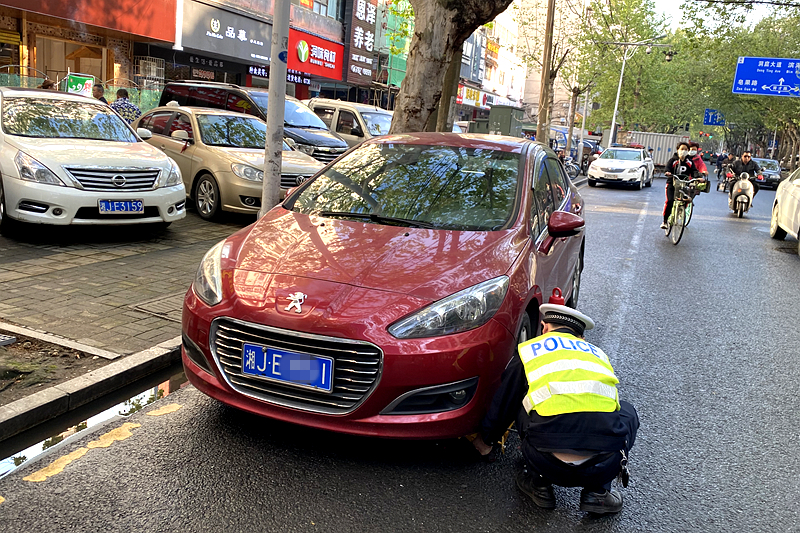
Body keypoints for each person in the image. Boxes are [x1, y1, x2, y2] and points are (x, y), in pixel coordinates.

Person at [472, 288, 639, 515]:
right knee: (627, 412)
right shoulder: (598, 355)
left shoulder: (531, 351)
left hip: (545, 462)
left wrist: (486, 441)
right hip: (602, 464)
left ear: (544, 329)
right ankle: (597, 493)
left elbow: (505, 402)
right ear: (581, 338)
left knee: (524, 401)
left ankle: (538, 485)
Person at [661, 142, 702, 230]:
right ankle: (664, 221)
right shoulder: (673, 160)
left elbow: (694, 171)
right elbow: (667, 168)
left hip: (683, 184)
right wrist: (668, 172)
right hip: (672, 184)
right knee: (670, 201)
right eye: (682, 149)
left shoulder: (689, 162)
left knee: (688, 199)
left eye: (686, 149)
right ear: (678, 150)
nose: (683, 151)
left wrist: (698, 177)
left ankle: (680, 211)